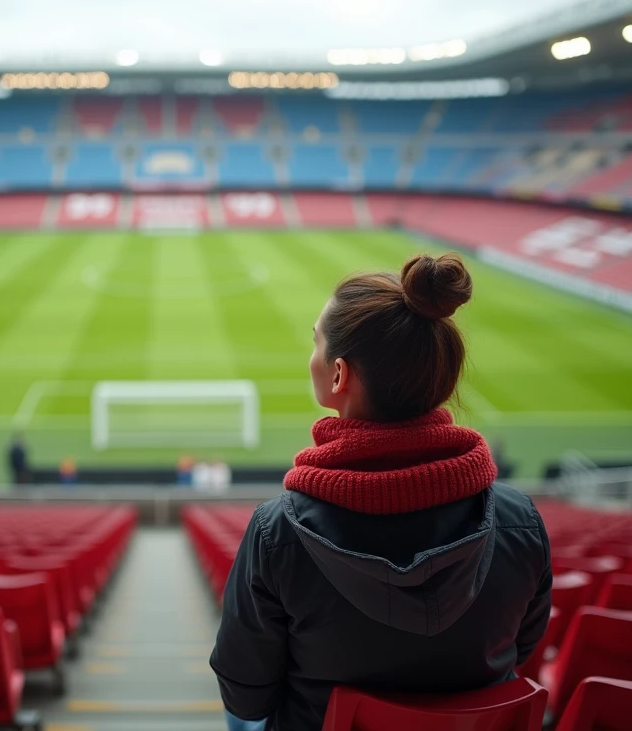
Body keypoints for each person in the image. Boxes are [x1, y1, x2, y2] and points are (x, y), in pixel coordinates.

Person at [210, 253, 552, 731]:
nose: (312, 353)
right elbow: (520, 649)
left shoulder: (277, 531)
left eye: (317, 342)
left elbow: (245, 695)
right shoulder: (520, 520)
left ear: (338, 375)